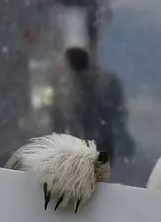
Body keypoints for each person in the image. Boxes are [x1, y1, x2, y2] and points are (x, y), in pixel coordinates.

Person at [50, 46, 135, 181]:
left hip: (93, 150)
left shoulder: (80, 90)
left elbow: (77, 121)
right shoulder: (104, 82)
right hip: (100, 150)